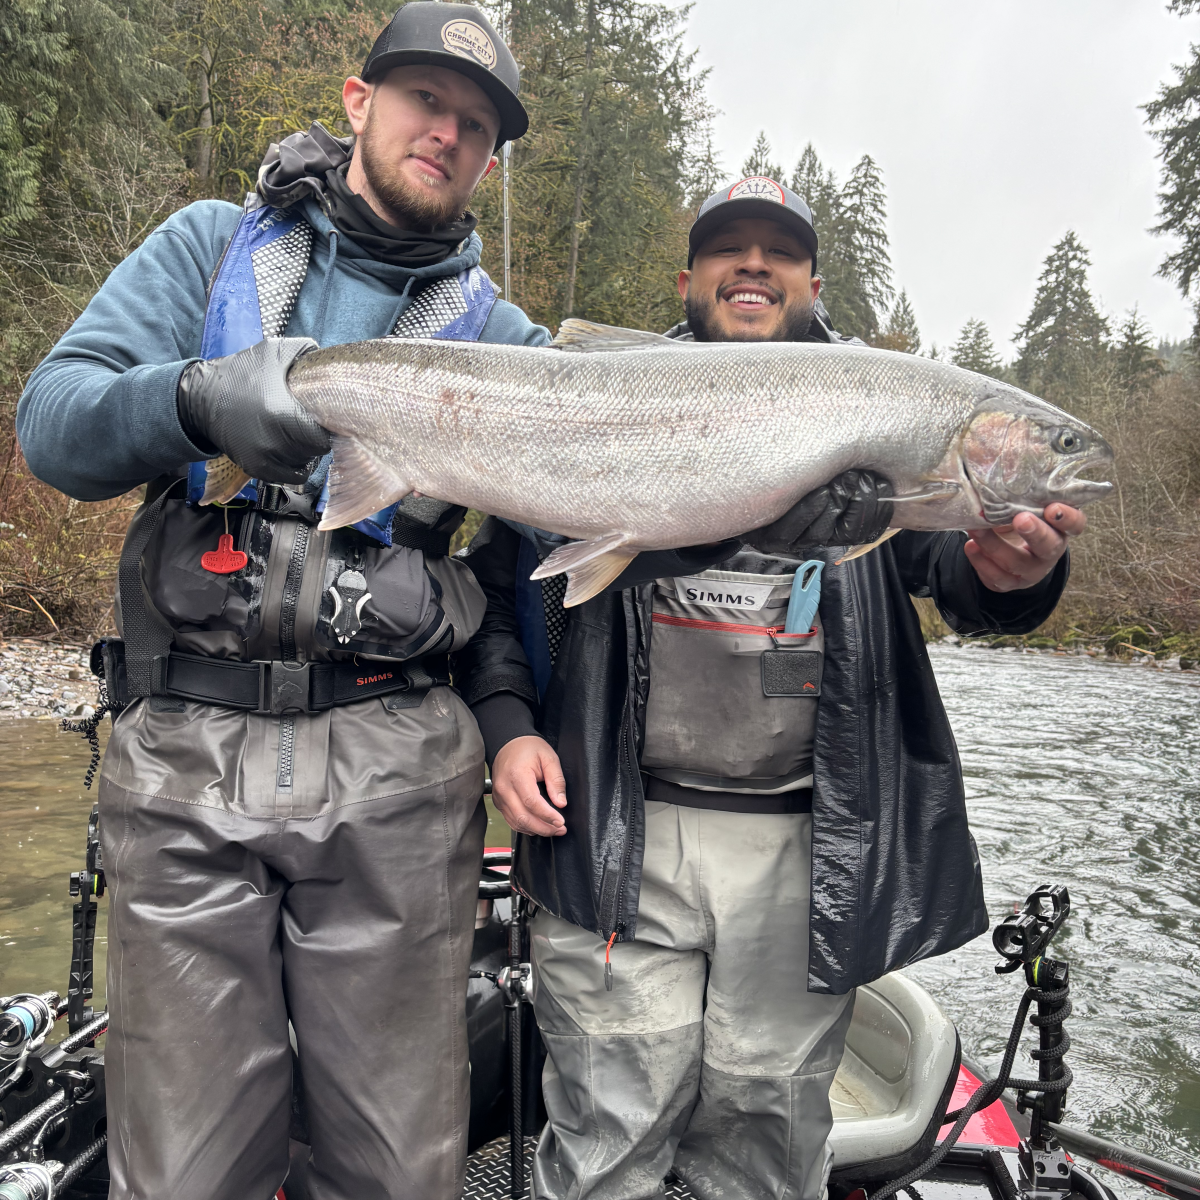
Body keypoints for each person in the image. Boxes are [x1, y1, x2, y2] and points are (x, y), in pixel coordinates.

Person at [455, 176, 1086, 1200]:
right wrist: (507, 728)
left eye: (777, 250)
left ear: (812, 282)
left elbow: (961, 577)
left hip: (804, 852)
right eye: (727, 247)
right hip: (616, 834)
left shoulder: (885, 417)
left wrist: (1024, 572)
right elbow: (494, 589)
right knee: (608, 1128)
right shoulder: (597, 401)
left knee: (765, 1131)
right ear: (690, 278)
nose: (752, 264)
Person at [17, 5, 549, 1198]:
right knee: (185, 1170)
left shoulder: (511, 340)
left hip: (401, 776)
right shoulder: (211, 243)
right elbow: (52, 426)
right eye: (427, 102)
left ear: (489, 160)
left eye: (476, 126)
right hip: (178, 767)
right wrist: (196, 400)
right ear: (360, 103)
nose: (448, 133)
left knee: (398, 1169)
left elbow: (548, 561)